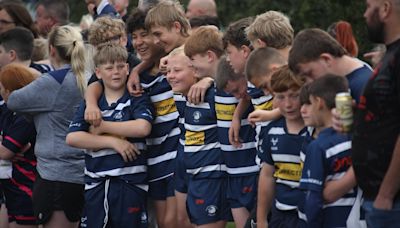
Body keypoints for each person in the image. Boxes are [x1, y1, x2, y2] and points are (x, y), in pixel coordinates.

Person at [7, 25, 87, 228]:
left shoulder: (54, 81)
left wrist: (34, 78)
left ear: (52, 50)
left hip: (56, 174)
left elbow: (14, 100)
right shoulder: (87, 76)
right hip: (84, 170)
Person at [67, 43, 154, 228]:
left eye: (121, 66)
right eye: (109, 68)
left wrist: (103, 126)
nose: (116, 72)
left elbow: (142, 128)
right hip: (96, 185)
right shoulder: (92, 103)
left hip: (130, 183)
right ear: (98, 72)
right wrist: (113, 142)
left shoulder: (136, 96)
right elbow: (73, 137)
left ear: (128, 68)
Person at [349, 0, 400, 226]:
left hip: (390, 202)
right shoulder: (391, 55)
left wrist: (386, 194)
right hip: (379, 197)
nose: (364, 14)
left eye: (369, 7)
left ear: (386, 9)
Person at [183, 26, 230, 228]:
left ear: (210, 56)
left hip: (214, 175)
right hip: (199, 175)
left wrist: (209, 80)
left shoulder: (223, 89)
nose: (191, 66)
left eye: (193, 60)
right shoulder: (204, 88)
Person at [299, 75, 356, 227]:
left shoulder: (318, 146)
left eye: (309, 103)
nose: (303, 109)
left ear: (318, 102)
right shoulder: (359, 138)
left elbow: (313, 198)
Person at [257, 65, 308, 228]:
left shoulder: (315, 131)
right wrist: (262, 219)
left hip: (311, 213)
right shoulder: (272, 131)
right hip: (281, 214)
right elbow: (267, 175)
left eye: (294, 96)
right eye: (280, 97)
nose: (287, 104)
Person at [214, 57, 258, 228]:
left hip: (255, 172)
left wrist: (237, 115)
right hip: (233, 174)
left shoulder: (258, 89)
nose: (237, 96)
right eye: (231, 94)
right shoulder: (244, 95)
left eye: (236, 90)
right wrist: (236, 116)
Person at [288, 28, 371, 104]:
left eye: (310, 73)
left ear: (326, 59)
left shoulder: (365, 86)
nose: (310, 83)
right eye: (304, 79)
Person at [0, 63, 38, 228]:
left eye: (2, 88)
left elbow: (5, 153)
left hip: (25, 187)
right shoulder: (9, 111)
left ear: (10, 91)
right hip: (9, 188)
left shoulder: (25, 117)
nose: (1, 92)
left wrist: (5, 148)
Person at [166, 46, 198, 228]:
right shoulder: (177, 93)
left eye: (177, 71)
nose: (171, 75)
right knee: (181, 220)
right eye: (168, 71)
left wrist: (207, 80)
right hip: (181, 160)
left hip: (203, 165)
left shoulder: (208, 92)